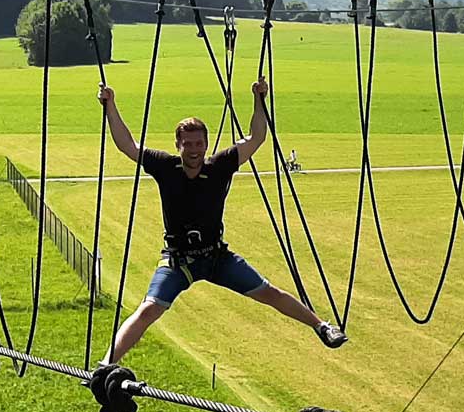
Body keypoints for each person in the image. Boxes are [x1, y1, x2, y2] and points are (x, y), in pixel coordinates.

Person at [97, 76, 346, 364]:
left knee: (269, 293)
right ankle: (107, 364)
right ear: (177, 144)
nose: (194, 149)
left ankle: (322, 326)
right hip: (179, 260)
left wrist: (259, 100)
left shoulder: (219, 166)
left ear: (206, 143)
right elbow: (128, 145)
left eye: (199, 143)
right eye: (187, 144)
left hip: (216, 257)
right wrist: (111, 106)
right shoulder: (166, 167)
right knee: (148, 310)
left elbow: (256, 138)